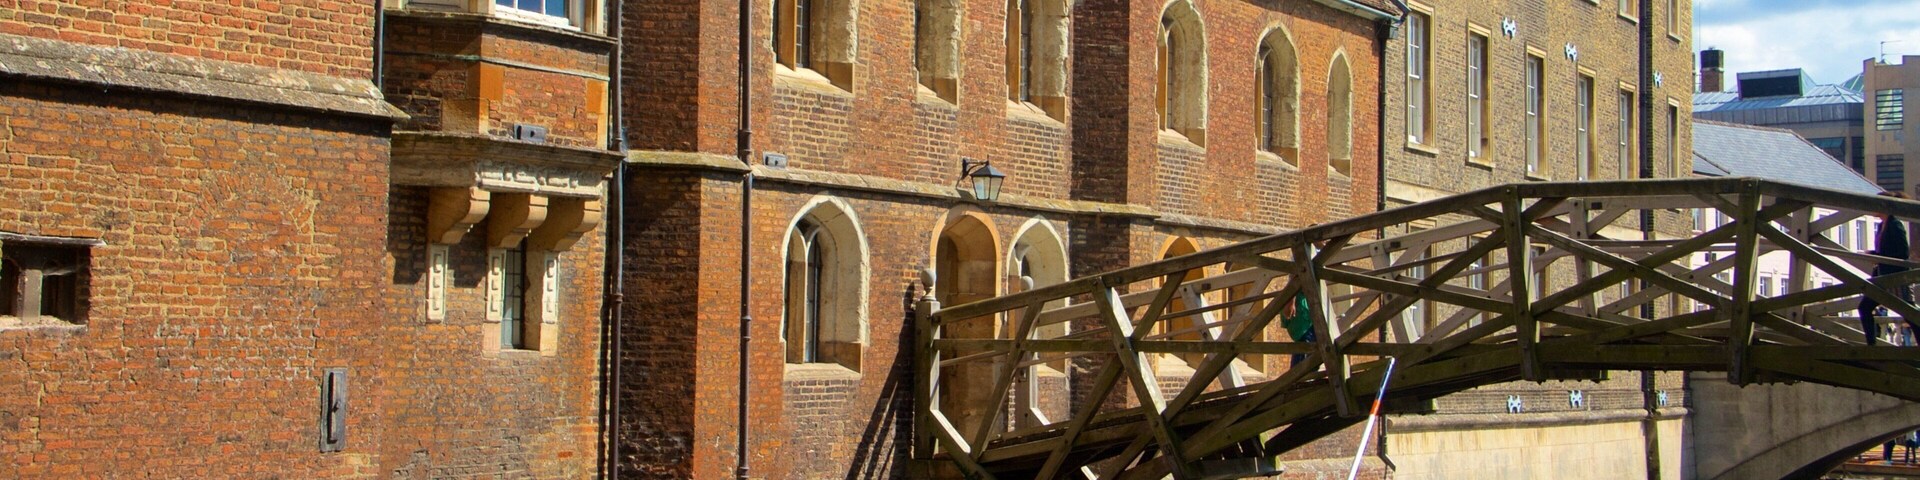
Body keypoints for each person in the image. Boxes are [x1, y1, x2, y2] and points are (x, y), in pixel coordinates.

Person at [1860, 191, 1915, 346]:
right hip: (1882, 277)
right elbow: (1886, 250)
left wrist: (1878, 256)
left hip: (1895, 277)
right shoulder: (1881, 226)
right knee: (1864, 307)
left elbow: (1903, 252)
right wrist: (1875, 254)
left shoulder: (1895, 224)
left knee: (1910, 315)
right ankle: (1871, 346)